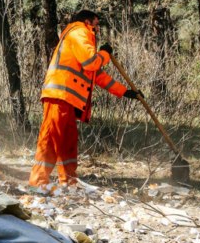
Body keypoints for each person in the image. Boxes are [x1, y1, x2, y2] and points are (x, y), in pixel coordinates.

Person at [29, 10, 142, 187]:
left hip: (68, 98)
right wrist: (104, 54)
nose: (98, 28)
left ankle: (69, 181)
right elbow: (91, 62)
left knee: (68, 142)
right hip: (59, 95)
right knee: (50, 138)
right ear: (88, 22)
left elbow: (96, 75)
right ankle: (38, 182)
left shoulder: (82, 37)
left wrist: (125, 92)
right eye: (96, 24)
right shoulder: (79, 32)